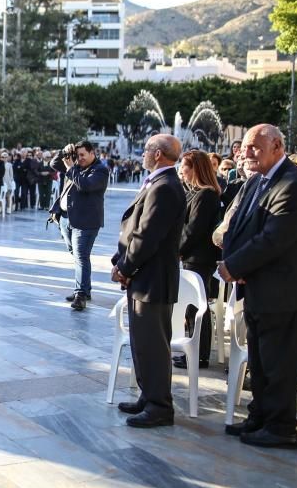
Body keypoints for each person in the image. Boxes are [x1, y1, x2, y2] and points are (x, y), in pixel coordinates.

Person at [219, 124, 297, 449]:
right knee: (260, 363)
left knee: (280, 365)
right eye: (245, 147)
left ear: (277, 146)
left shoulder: (294, 183)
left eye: (254, 147)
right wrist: (236, 263)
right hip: (259, 289)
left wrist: (235, 267)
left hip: (285, 293)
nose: (246, 153)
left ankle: (280, 428)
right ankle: (259, 416)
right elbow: (235, 227)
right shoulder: (255, 182)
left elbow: (273, 239)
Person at [111, 134, 187, 429]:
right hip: (143, 277)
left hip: (151, 278)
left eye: (146, 149)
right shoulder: (158, 182)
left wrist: (126, 267)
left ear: (158, 154)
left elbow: (147, 236)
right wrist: (122, 264)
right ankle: (148, 395)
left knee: (154, 345)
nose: (143, 153)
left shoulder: (165, 187)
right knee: (142, 342)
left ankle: (159, 405)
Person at [174, 150, 221, 370]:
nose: (181, 170)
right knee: (191, 307)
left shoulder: (205, 194)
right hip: (192, 257)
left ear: (195, 168)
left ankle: (200, 354)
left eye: (184, 166)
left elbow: (194, 229)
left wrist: (178, 249)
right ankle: (193, 351)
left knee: (196, 307)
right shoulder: (195, 192)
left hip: (199, 258)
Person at [51, 141, 110, 310]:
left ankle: (81, 295)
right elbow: (54, 164)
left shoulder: (100, 170)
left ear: (93, 153)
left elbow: (86, 186)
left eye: (83, 155)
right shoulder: (75, 165)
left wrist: (71, 169)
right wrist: (64, 152)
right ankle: (85, 289)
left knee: (81, 256)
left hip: (86, 221)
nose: (80, 159)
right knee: (77, 255)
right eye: (77, 155)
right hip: (65, 218)